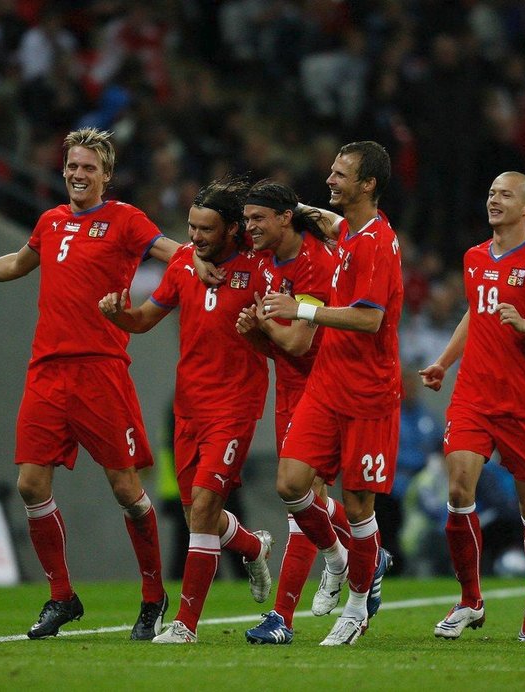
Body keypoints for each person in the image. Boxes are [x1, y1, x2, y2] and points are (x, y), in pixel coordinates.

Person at [0, 128, 177, 640]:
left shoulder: (125, 220)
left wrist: (211, 265)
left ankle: (153, 597)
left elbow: (172, 252)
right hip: (47, 369)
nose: (78, 174)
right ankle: (62, 596)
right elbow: (18, 263)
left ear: (106, 175)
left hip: (101, 369)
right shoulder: (51, 221)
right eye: (72, 166)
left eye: (88, 167)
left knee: (127, 491)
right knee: (29, 483)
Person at [98, 176, 275, 645]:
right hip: (187, 407)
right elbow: (142, 320)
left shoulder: (260, 268)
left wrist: (263, 327)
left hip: (235, 405)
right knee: (202, 510)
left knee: (203, 510)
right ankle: (253, 545)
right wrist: (118, 314)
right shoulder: (182, 264)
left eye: (205, 230)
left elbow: (284, 336)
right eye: (192, 228)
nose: (195, 237)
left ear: (233, 229)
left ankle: (185, 624)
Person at [419, 171, 525, 642]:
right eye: (491, 193)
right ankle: (470, 600)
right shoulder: (473, 257)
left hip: (523, 405)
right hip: (473, 395)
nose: (494, 200)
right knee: (458, 488)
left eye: (505, 195)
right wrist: (445, 363)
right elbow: (477, 311)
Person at [261, 141, 403, 646]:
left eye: (341, 174)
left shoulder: (377, 244)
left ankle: (360, 604)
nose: (330, 179)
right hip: (327, 384)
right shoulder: (349, 229)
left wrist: (301, 309)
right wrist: (284, 209)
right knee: (291, 484)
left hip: (368, 394)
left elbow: (371, 319)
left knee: (358, 506)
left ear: (367, 185)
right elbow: (326, 218)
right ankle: (338, 558)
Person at [233, 179, 364, 645]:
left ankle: (283, 616)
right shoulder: (268, 265)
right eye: (246, 220)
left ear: (285, 218)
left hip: (323, 387)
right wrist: (254, 332)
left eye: (257, 219)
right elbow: (279, 351)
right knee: (304, 499)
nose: (250, 228)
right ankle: (361, 557)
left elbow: (297, 341)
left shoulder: (315, 265)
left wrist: (264, 324)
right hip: (290, 387)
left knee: (297, 498)